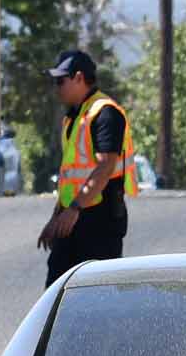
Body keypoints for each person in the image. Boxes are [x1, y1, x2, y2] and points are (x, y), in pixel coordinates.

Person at [36, 49, 133, 281]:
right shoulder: (74, 117)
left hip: (99, 224)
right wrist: (57, 215)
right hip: (73, 221)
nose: (56, 87)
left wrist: (74, 209)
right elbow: (71, 177)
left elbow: (105, 166)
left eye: (61, 81)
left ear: (79, 78)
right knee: (57, 292)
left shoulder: (105, 113)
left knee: (97, 297)